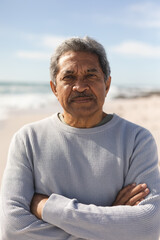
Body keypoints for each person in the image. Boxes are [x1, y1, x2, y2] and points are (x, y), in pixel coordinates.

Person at [0, 36, 160, 240]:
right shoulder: (28, 140)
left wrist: (47, 207)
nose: (80, 86)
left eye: (91, 76)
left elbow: (146, 226)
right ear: (54, 89)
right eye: (68, 77)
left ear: (107, 84)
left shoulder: (137, 140)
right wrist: (110, 225)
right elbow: (12, 230)